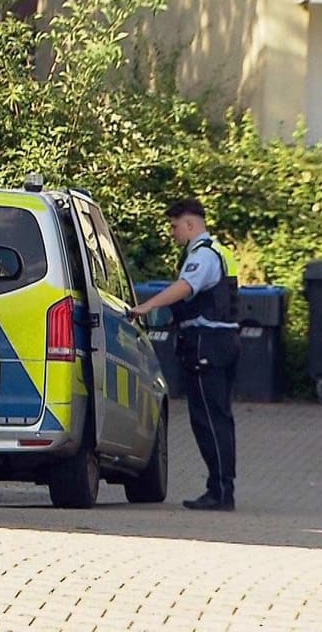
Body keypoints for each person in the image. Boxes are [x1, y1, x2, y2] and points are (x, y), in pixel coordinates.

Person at [129, 198, 240, 512]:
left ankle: (219, 491)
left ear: (190, 224)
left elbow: (185, 287)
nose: (173, 232)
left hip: (207, 344)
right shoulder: (220, 252)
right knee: (218, 417)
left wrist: (149, 306)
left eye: (175, 226)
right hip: (223, 341)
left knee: (208, 419)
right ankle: (222, 487)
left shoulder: (202, 256)